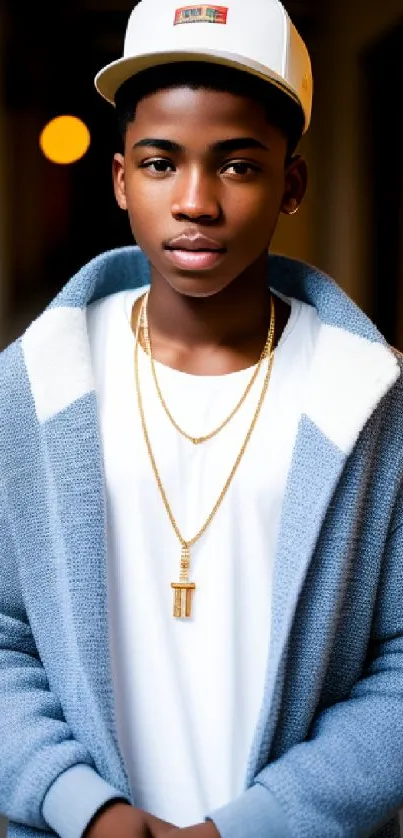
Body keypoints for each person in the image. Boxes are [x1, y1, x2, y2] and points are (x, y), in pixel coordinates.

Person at [0, 0, 403, 836]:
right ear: (119, 179)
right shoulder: (34, 387)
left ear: (290, 185)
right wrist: (84, 806)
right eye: (159, 163)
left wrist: (259, 823)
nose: (194, 201)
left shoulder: (366, 399)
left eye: (237, 166)